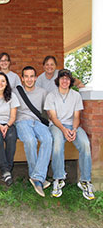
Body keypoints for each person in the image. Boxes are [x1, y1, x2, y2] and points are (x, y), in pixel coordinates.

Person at [44, 69, 95, 200]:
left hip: (73, 126)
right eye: (62, 78)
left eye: (67, 78)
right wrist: (64, 130)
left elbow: (77, 116)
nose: (65, 81)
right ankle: (58, 178)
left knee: (85, 144)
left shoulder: (76, 96)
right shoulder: (51, 96)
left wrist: (73, 129)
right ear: (58, 80)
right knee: (58, 143)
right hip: (56, 126)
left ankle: (85, 181)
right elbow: (53, 118)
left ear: (70, 81)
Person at [14, 66, 52, 197]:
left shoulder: (43, 92)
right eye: (26, 77)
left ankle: (36, 177)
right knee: (30, 141)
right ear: (22, 78)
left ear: (36, 78)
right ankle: (38, 177)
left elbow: (49, 109)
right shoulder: (16, 91)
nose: (29, 79)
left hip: (38, 122)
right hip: (22, 122)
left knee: (48, 139)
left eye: (32, 76)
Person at [0, 72, 20, 186]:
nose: (0, 83)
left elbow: (13, 116)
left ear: (6, 83)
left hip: (9, 123)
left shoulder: (12, 96)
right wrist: (0, 126)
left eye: (3, 81)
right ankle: (5, 170)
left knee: (11, 137)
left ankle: (7, 170)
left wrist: (7, 126)